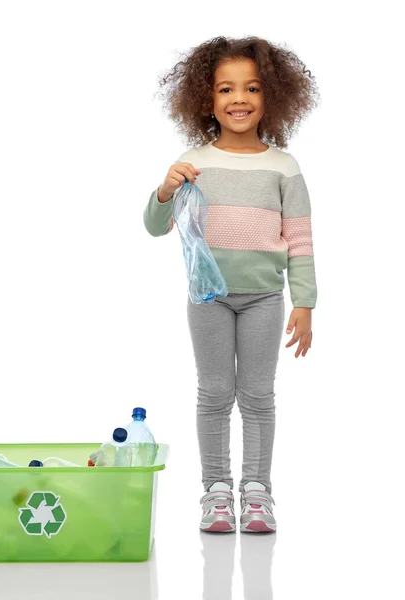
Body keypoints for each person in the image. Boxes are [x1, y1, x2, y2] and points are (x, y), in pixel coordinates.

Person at [143, 36, 319, 534]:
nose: (238, 99)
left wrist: (304, 302)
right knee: (215, 393)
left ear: (273, 97)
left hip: (265, 297)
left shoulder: (284, 167)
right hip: (209, 298)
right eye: (225, 88)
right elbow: (157, 226)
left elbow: (300, 239)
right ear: (207, 98)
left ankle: (257, 492)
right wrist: (164, 189)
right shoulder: (193, 163)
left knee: (259, 395)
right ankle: (216, 492)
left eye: (252, 88)